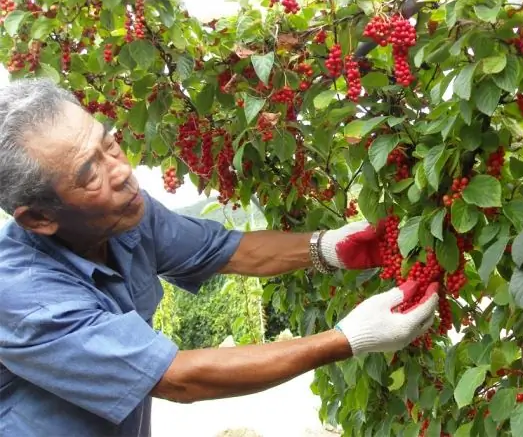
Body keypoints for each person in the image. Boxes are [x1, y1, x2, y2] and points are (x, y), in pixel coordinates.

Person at [0, 78, 439, 437]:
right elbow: (177, 378)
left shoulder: (124, 215)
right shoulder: (21, 296)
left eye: (109, 144)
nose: (120, 169)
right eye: (88, 172)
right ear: (39, 218)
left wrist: (326, 248)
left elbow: (222, 250)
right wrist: (349, 338)